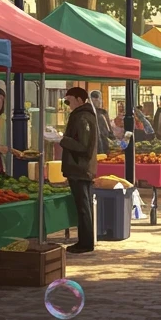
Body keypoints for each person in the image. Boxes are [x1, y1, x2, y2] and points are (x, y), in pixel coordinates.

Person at [57, 86, 98, 254]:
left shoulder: (82, 117)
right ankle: (86, 241)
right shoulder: (83, 115)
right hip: (81, 167)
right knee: (84, 206)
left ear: (79, 100)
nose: (67, 104)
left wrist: (62, 140)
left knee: (83, 207)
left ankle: (85, 243)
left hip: (79, 168)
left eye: (69, 100)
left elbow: (83, 146)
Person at [90, 90, 115, 155]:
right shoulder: (88, 113)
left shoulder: (103, 112)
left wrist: (112, 137)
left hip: (103, 141)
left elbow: (109, 128)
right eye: (96, 100)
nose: (99, 101)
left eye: (100, 99)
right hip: (93, 142)